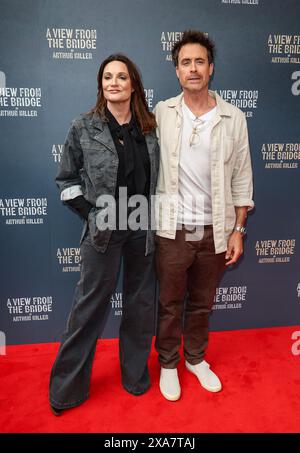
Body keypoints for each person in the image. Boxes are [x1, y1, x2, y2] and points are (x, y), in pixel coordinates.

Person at [49, 54, 159, 415]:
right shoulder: (83, 126)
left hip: (143, 226)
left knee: (141, 308)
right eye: (107, 77)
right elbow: (66, 180)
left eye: (122, 77)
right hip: (105, 228)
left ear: (133, 85)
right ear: (101, 85)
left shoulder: (149, 128)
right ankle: (66, 391)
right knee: (89, 308)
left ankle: (135, 378)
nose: (114, 82)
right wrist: (93, 214)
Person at [154, 30, 254, 401]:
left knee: (202, 302)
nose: (192, 69)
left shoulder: (233, 117)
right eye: (185, 62)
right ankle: (168, 363)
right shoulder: (161, 112)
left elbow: (242, 175)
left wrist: (238, 229)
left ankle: (195, 359)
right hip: (172, 229)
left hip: (216, 228)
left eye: (199, 61)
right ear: (177, 71)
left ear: (210, 68)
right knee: (168, 302)